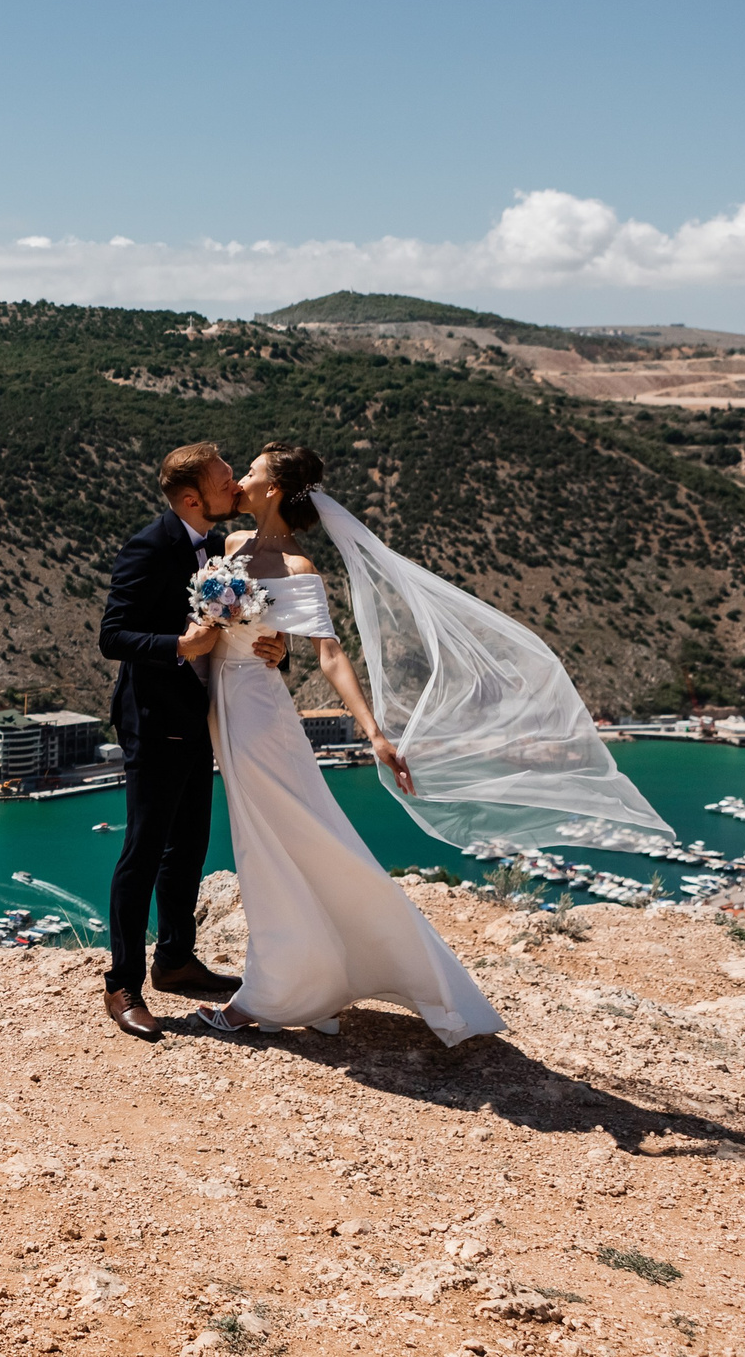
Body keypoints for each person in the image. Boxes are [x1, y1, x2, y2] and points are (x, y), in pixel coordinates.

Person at [189, 442, 505, 1045]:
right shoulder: (227, 548)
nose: (242, 480)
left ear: (274, 488)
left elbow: (330, 655)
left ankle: (270, 993)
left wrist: (375, 734)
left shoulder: (302, 570)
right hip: (219, 707)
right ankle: (316, 978)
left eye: (251, 472)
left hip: (258, 713)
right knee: (272, 842)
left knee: (272, 845)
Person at [95, 441, 285, 1042]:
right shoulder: (150, 546)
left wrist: (275, 650)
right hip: (153, 719)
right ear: (190, 498)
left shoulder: (226, 549)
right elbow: (113, 635)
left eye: (235, 478)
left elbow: (249, 626)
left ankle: (175, 960)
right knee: (143, 852)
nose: (235, 488)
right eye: (225, 481)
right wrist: (178, 646)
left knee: (189, 847)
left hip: (202, 718)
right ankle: (122, 983)